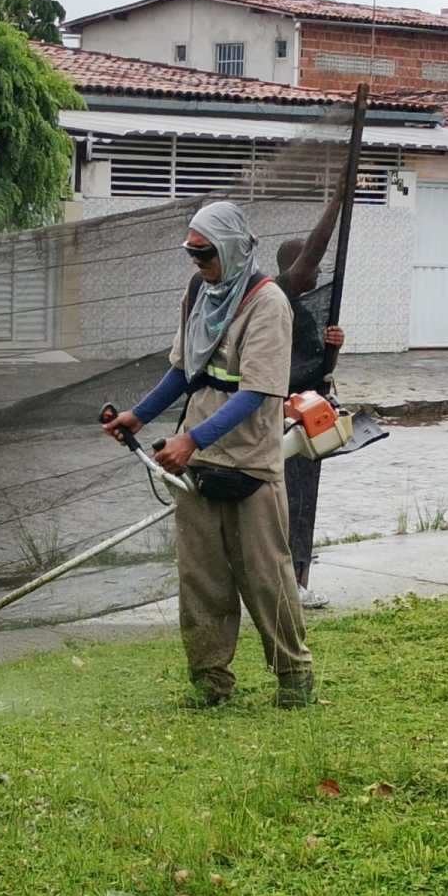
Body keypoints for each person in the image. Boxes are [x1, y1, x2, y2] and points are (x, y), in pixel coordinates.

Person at [103, 200, 314, 710]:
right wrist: (140, 414)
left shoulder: (268, 303)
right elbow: (184, 370)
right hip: (196, 456)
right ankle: (210, 681)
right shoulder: (201, 291)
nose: (197, 263)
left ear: (232, 249)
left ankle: (294, 677)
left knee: (266, 578)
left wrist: (190, 440)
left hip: (249, 460)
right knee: (202, 578)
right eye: (191, 254)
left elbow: (257, 391)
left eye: (205, 254)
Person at [274, 181, 347, 609]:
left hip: (311, 410)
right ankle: (292, 583)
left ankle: (297, 576)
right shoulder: (278, 300)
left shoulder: (306, 312)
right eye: (312, 271)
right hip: (286, 417)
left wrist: (333, 345)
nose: (317, 277)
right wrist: (339, 195)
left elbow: (322, 369)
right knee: (293, 501)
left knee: (303, 498)